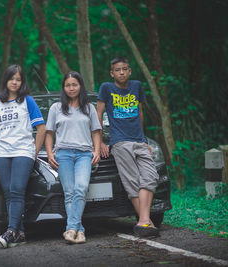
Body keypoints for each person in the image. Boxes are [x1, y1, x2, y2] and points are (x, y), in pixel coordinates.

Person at [0, 64, 46, 248]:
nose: (15, 82)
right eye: (12, 78)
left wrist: (34, 151)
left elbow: (41, 128)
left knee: (18, 189)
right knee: (9, 193)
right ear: (6, 80)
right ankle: (19, 234)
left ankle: (10, 231)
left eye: (18, 79)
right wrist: (1, 143)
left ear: (22, 82)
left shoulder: (27, 101)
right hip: (2, 153)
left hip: (23, 152)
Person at [97, 56, 159, 237]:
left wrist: (144, 139)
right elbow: (98, 114)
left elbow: (140, 112)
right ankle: (147, 222)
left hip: (139, 141)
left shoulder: (137, 86)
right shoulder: (106, 88)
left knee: (151, 176)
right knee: (132, 181)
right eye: (118, 70)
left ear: (130, 71)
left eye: (125, 69)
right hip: (120, 142)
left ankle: (143, 221)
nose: (122, 72)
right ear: (112, 73)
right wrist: (100, 141)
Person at [45, 71, 101, 244]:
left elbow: (96, 131)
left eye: (74, 84)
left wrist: (97, 151)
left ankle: (71, 228)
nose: (71, 88)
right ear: (64, 87)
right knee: (69, 193)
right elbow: (49, 133)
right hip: (63, 154)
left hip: (84, 154)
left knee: (81, 188)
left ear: (80, 86)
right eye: (68, 85)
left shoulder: (89, 107)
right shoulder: (56, 108)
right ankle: (79, 231)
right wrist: (49, 153)